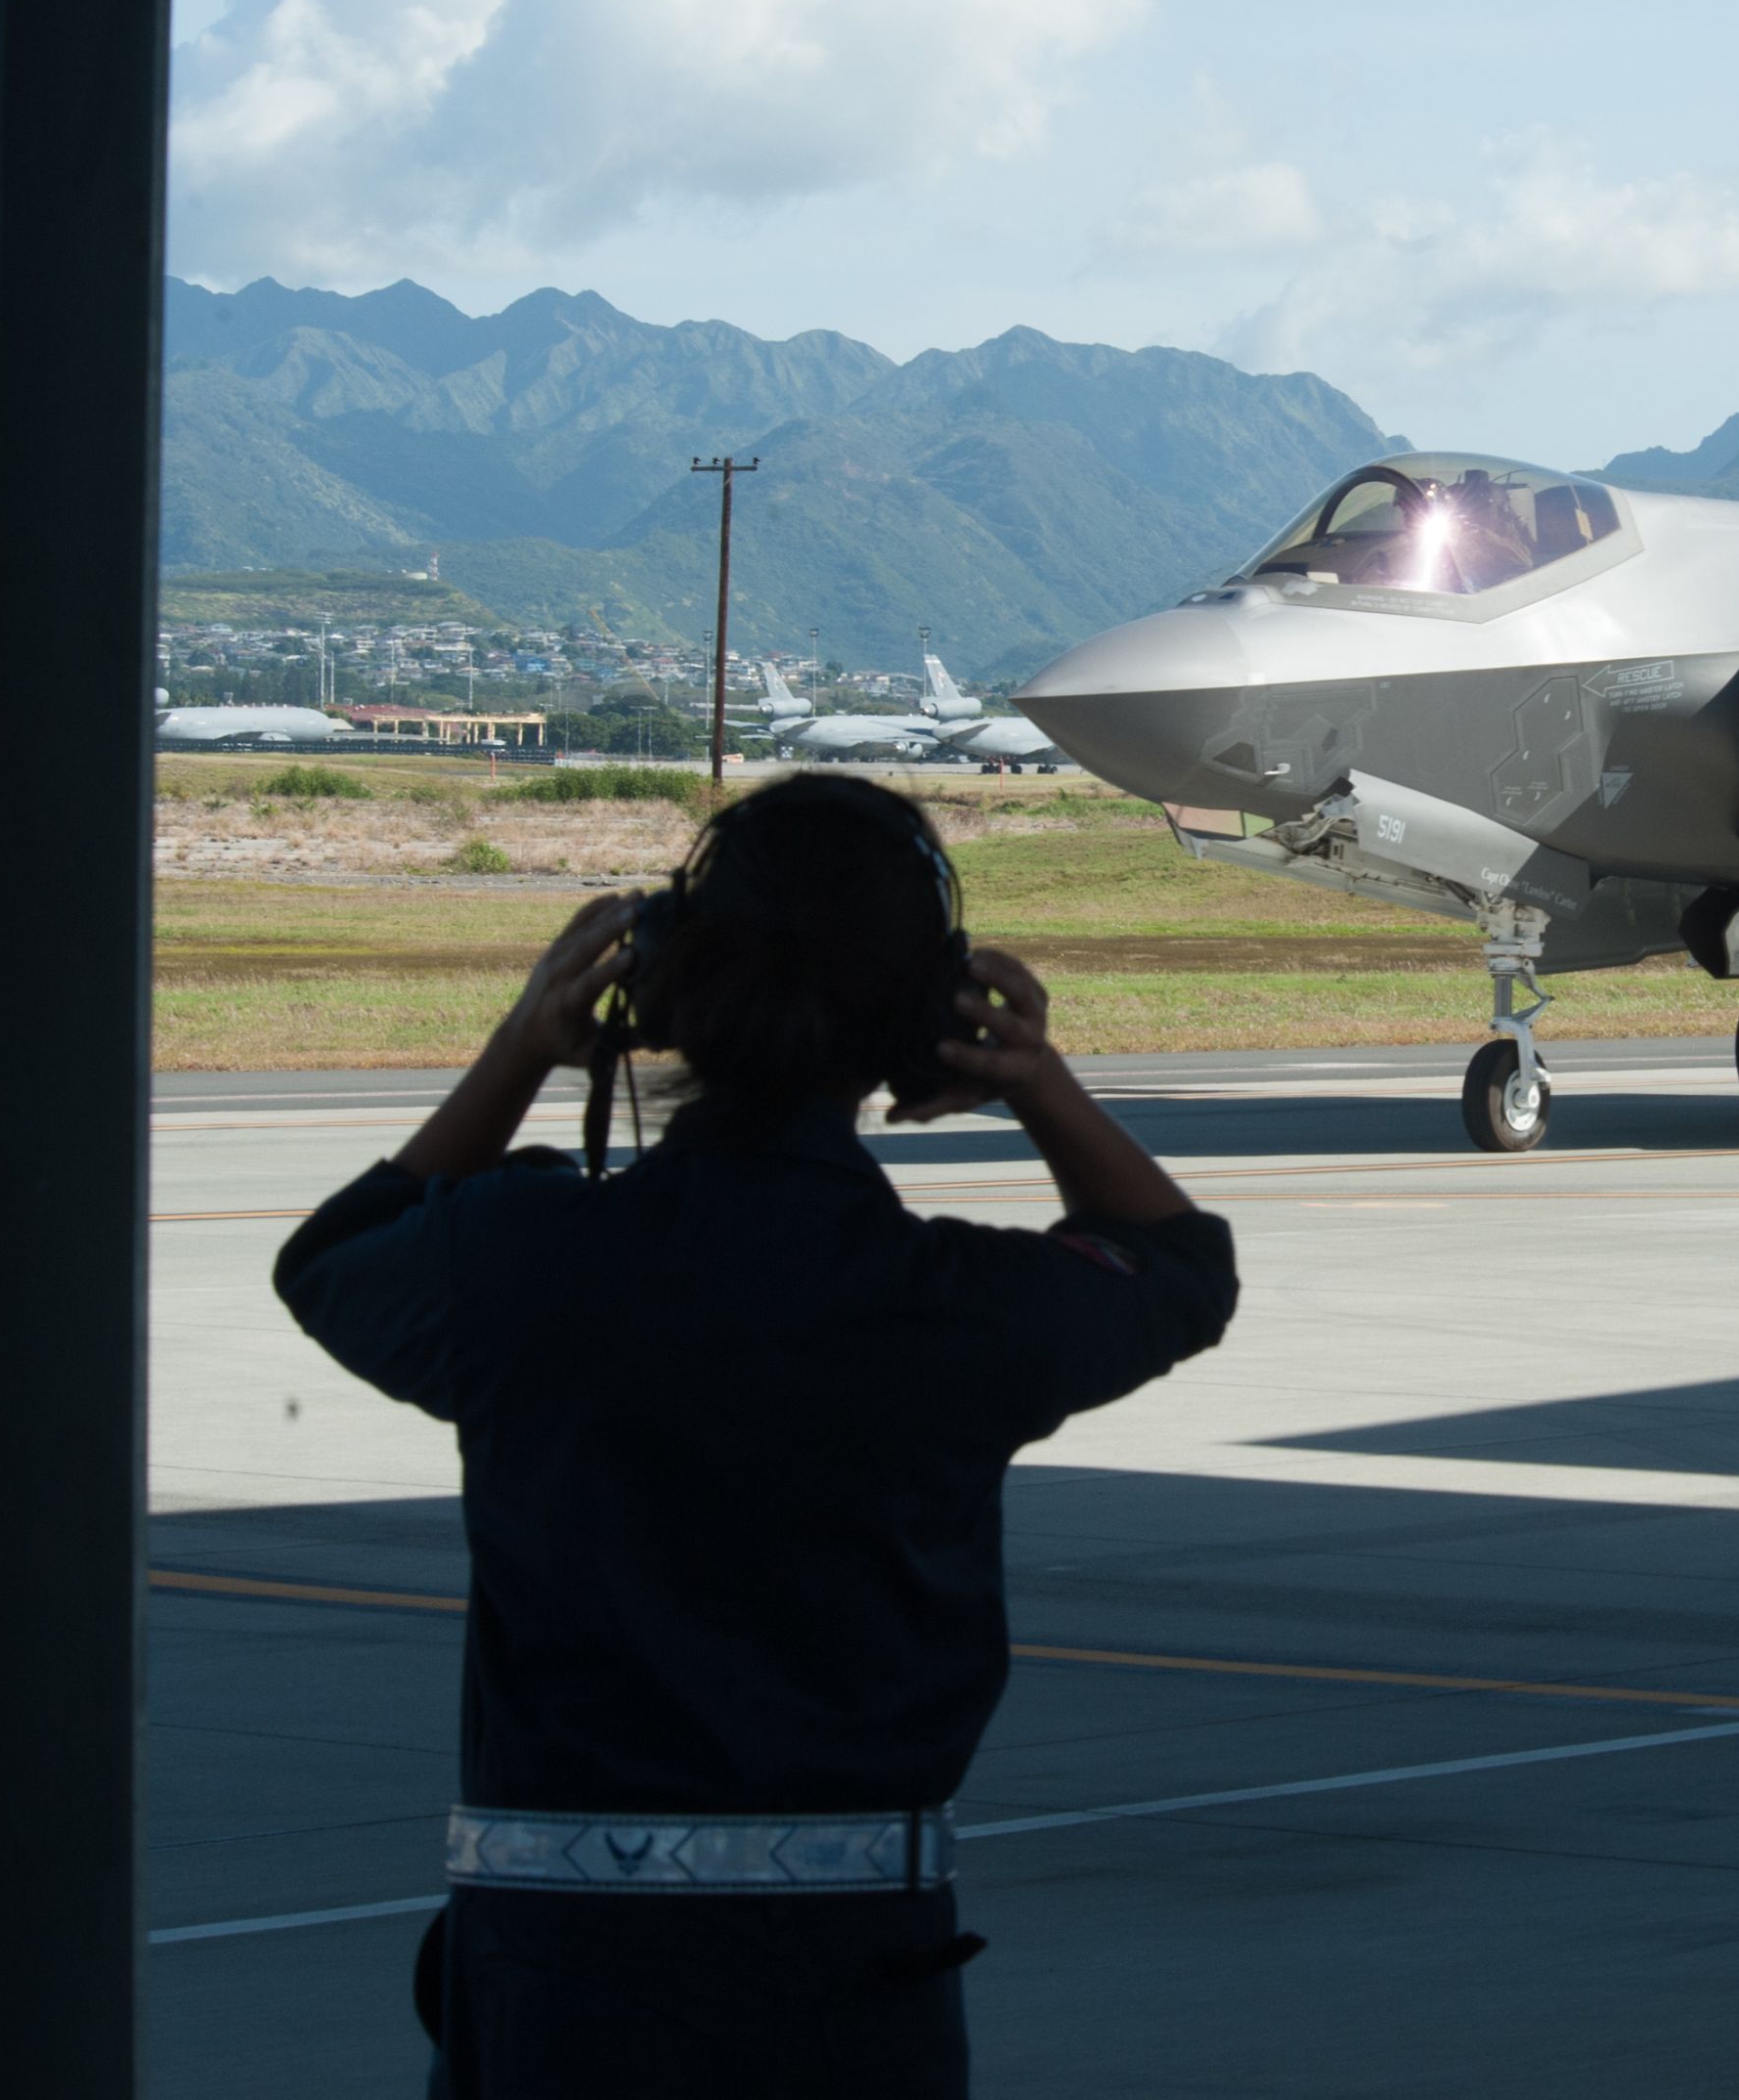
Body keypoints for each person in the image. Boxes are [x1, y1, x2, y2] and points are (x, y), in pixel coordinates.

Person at [273, 774, 1237, 2096]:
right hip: (851, 1997)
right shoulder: (957, 1310)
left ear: (653, 997)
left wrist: (521, 1047)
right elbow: (1179, 1268)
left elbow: (333, 1259)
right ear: (922, 1025)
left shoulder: (519, 1269)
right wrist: (1036, 1082)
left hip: (560, 1992)